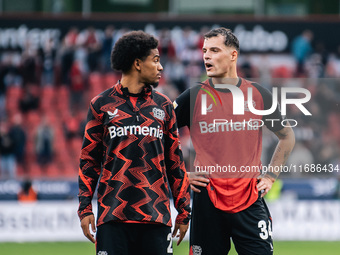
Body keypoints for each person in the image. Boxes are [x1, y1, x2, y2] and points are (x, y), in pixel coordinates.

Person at [174, 27, 295, 255]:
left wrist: (270, 176)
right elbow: (154, 136)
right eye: (204, 51)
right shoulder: (193, 96)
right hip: (207, 199)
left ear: (233, 55)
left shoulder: (258, 94)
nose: (206, 56)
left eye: (214, 50)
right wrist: (180, 173)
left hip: (249, 199)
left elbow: (287, 136)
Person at [78, 31, 191, 255]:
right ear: (138, 63)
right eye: (156, 60)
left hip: (156, 217)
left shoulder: (165, 106)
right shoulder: (101, 104)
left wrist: (184, 210)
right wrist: (84, 209)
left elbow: (175, 163)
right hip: (112, 218)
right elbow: (89, 161)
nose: (161, 67)